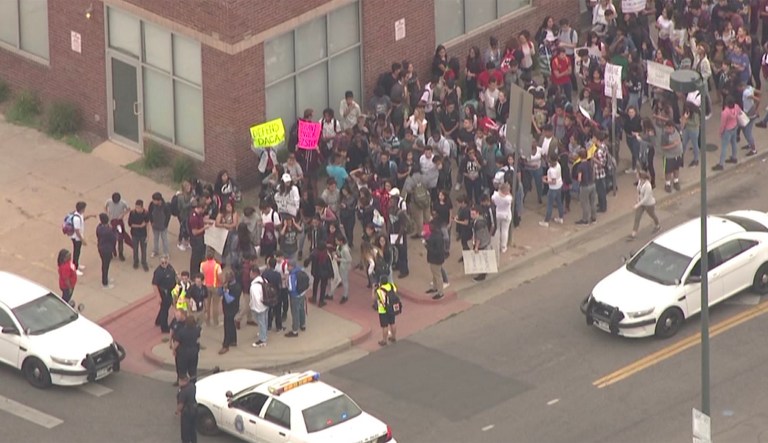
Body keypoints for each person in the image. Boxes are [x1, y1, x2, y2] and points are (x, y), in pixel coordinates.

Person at [630, 171, 661, 239]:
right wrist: (638, 198)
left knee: (652, 215)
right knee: (637, 217)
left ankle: (657, 225)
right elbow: (638, 191)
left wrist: (637, 205)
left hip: (649, 204)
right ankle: (634, 233)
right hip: (641, 203)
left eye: (637, 175)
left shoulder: (648, 186)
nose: (636, 176)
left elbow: (646, 198)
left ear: (642, 177)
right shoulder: (639, 182)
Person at [69, 201, 96, 276]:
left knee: (78, 251)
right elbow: (77, 231)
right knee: (76, 252)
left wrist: (90, 216)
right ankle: (75, 268)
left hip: (78, 237)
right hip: (76, 238)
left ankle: (77, 263)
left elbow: (82, 219)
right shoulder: (76, 219)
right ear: (81, 209)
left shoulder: (79, 214)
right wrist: (82, 240)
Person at [152, 255, 177, 333]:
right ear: (160, 263)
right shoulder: (158, 272)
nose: (164, 264)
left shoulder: (170, 267)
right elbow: (154, 285)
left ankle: (158, 321)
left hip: (171, 291)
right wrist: (158, 296)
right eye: (162, 263)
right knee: (164, 310)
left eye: (165, 262)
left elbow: (174, 274)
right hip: (164, 293)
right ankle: (164, 328)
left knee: (165, 307)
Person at [284, 260, 309, 337]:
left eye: (288, 266)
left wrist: (286, 284)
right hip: (302, 293)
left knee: (295, 312)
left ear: (291, 266)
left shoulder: (292, 275)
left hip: (295, 296)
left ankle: (295, 330)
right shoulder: (301, 271)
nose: (287, 268)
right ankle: (303, 325)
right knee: (302, 309)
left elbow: (291, 288)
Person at [173, 315, 201, 382]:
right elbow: (198, 340)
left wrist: (174, 350)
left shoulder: (181, 332)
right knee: (193, 370)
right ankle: (193, 383)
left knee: (182, 371)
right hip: (193, 353)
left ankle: (183, 384)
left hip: (183, 353)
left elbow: (176, 343)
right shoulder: (196, 331)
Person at [219, 269, 241, 354]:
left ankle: (226, 345)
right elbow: (219, 293)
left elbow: (229, 300)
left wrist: (225, 292)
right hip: (226, 308)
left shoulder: (236, 287)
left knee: (227, 326)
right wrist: (222, 288)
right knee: (231, 325)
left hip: (232, 309)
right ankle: (233, 340)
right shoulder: (226, 284)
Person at [539, 157, 565, 228]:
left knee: (549, 205)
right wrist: (547, 177)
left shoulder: (551, 170)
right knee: (559, 202)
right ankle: (561, 217)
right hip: (559, 186)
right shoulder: (558, 165)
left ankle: (546, 221)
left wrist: (545, 181)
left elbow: (553, 181)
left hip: (553, 188)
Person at [188, 199, 211, 278]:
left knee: (201, 256)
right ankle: (194, 275)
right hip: (196, 240)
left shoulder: (199, 215)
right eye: (204, 208)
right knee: (196, 258)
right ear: (200, 208)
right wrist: (204, 228)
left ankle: (199, 273)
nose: (204, 210)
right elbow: (194, 232)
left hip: (200, 239)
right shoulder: (193, 218)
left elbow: (202, 221)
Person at [424, 217, 446, 300]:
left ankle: (440, 292)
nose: (429, 227)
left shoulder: (438, 237)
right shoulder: (435, 234)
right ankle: (434, 287)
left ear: (435, 226)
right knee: (434, 274)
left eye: (431, 225)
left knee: (438, 275)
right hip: (433, 258)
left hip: (436, 259)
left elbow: (437, 250)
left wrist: (427, 246)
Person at [200, 249, 222, 327]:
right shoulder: (217, 266)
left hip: (206, 286)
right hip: (215, 286)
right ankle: (216, 322)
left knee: (207, 304)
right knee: (215, 305)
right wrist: (222, 283)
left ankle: (207, 321)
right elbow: (219, 277)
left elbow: (201, 275)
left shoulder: (202, 264)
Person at [105, 192, 130, 261]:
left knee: (120, 238)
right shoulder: (109, 201)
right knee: (111, 238)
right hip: (111, 222)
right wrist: (107, 213)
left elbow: (128, 209)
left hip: (119, 223)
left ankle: (120, 253)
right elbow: (105, 206)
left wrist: (123, 214)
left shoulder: (123, 203)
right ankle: (112, 252)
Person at [373, 276, 398, 346]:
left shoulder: (379, 291)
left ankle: (384, 340)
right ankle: (393, 337)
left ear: (381, 282)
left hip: (383, 310)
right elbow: (395, 292)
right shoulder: (392, 286)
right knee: (392, 323)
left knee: (384, 326)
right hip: (391, 307)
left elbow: (374, 299)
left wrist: (373, 290)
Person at [263, 257, 284, 332]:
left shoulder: (265, 273)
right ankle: (279, 326)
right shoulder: (277, 274)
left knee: (268, 310)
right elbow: (279, 285)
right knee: (278, 311)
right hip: (276, 294)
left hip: (267, 295)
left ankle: (268, 325)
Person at [471, 205, 492, 282]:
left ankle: (482, 275)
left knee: (482, 258)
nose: (471, 216)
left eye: (473, 214)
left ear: (477, 213)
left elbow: (479, 237)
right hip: (486, 240)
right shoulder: (481, 219)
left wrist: (476, 247)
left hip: (482, 243)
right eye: (471, 214)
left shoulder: (479, 223)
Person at [249, 266, 269, 348]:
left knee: (260, 322)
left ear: (254, 274)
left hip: (259, 307)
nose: (249, 274)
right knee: (264, 320)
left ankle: (262, 340)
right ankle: (264, 333)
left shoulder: (254, 286)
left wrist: (254, 308)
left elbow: (255, 299)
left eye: (251, 273)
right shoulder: (264, 280)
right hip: (266, 304)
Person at [96, 213, 117, 289]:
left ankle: (105, 278)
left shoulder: (99, 227)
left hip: (101, 247)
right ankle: (105, 282)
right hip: (107, 249)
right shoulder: (109, 231)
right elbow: (114, 239)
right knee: (105, 265)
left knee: (104, 264)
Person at [128, 199, 150, 271]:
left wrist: (148, 235)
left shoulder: (146, 213)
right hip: (135, 234)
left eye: (138, 207)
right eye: (136, 207)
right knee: (135, 249)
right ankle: (136, 262)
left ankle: (144, 262)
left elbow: (147, 224)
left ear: (142, 207)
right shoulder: (132, 213)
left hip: (143, 234)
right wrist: (139, 226)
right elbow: (130, 224)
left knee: (144, 250)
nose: (137, 209)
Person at [148, 192, 171, 258]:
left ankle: (166, 253)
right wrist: (151, 221)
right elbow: (150, 213)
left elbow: (168, 216)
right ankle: (155, 251)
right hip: (155, 225)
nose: (153, 201)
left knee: (164, 239)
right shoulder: (152, 205)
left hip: (163, 226)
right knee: (155, 238)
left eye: (154, 200)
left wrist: (165, 225)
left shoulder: (165, 206)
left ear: (159, 200)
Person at [492, 183, 514, 253]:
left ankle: (497, 244)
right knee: (505, 231)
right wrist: (508, 193)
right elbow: (511, 199)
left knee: (497, 230)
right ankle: (503, 247)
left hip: (498, 213)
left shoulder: (495, 195)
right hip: (506, 215)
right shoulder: (508, 198)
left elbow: (492, 200)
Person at [176, 374, 197, 443]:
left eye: (179, 380)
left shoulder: (183, 392)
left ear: (183, 381)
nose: (179, 382)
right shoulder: (192, 386)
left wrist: (178, 411)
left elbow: (181, 404)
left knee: (185, 430)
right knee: (192, 428)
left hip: (186, 412)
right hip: (194, 409)